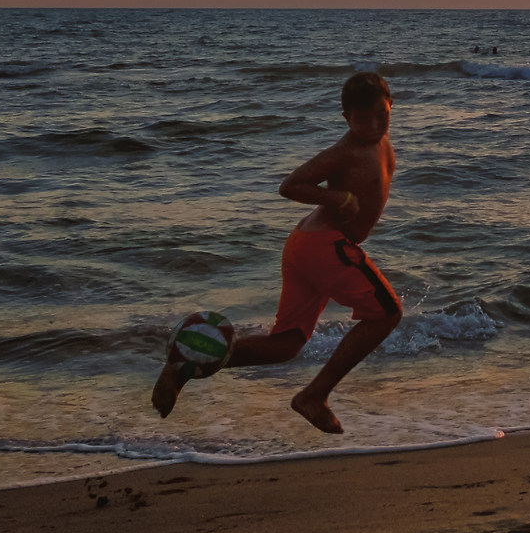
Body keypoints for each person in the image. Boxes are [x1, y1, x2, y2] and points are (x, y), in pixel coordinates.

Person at [151, 71, 401, 433]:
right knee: (387, 313)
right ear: (346, 118)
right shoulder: (344, 152)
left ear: (392, 106)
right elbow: (291, 185)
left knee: (284, 346)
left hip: (306, 245)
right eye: (363, 119)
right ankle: (314, 395)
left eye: (383, 114)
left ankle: (185, 364)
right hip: (323, 246)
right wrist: (335, 197)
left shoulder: (380, 141)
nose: (374, 125)